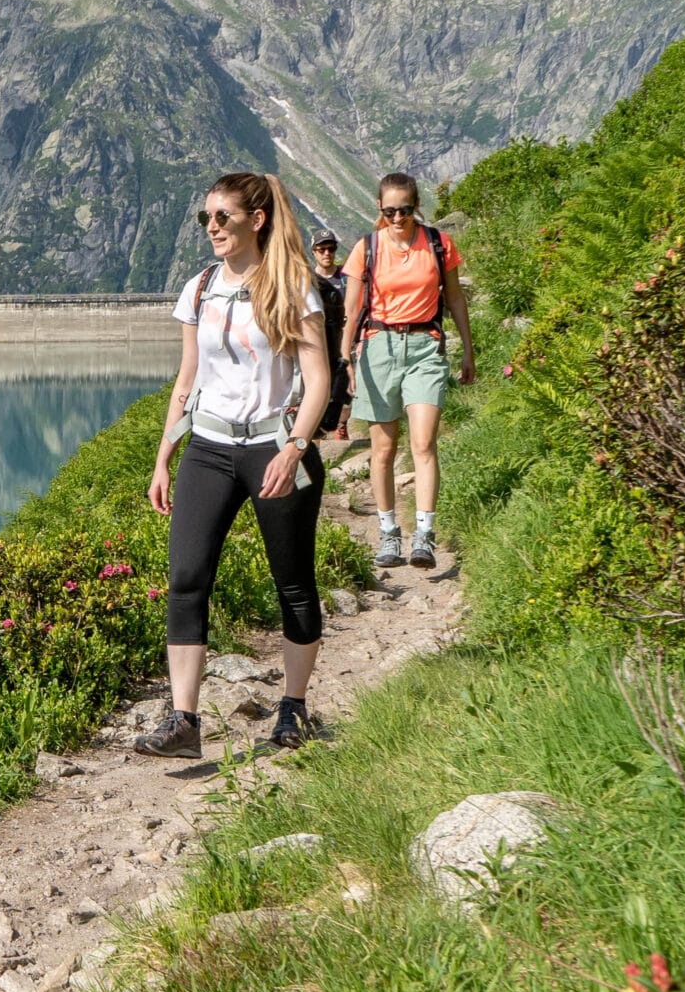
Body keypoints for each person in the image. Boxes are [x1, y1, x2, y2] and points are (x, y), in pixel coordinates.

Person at [136, 172, 335, 760]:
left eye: (223, 216)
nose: (212, 227)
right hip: (209, 448)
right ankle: (184, 722)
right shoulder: (199, 288)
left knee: (292, 581)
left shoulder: (292, 286)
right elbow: (187, 376)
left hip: (275, 446)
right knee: (186, 578)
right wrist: (164, 456)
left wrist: (294, 448)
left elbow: (319, 379)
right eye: (207, 217)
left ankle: (293, 707)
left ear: (257, 219)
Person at [339, 172, 473, 570]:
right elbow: (351, 309)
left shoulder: (438, 243)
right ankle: (388, 533)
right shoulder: (366, 248)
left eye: (406, 210)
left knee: (423, 443)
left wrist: (468, 349)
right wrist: (345, 356)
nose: (398, 218)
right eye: (390, 211)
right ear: (379, 208)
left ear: (416, 206)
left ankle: (424, 537)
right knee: (382, 450)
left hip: (425, 347)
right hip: (378, 347)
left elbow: (455, 298)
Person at [311, 230, 352, 444]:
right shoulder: (308, 281)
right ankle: (317, 432)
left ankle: (341, 424)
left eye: (331, 248)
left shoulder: (347, 278)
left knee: (345, 388)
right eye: (322, 249)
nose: (327, 253)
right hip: (320, 342)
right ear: (314, 252)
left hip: (346, 339)